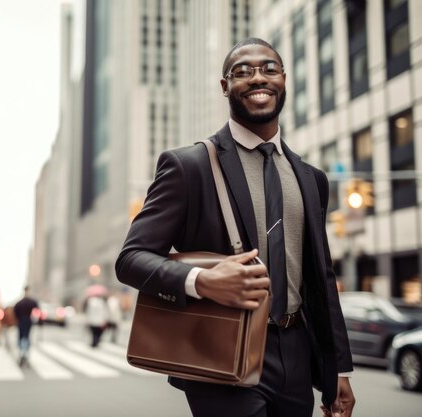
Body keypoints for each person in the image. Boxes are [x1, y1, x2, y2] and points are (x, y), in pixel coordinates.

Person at [115, 38, 355, 417]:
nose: (257, 78)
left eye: (268, 69)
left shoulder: (312, 178)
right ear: (225, 86)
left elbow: (321, 279)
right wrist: (200, 280)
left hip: (295, 351)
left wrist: (338, 367)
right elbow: (130, 260)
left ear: (284, 79)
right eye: (242, 72)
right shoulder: (187, 166)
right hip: (221, 346)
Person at [13, 286, 38, 366]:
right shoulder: (31, 302)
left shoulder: (20, 303)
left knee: (23, 337)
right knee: (24, 338)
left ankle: (23, 354)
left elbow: (15, 312)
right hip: (25, 321)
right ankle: (24, 354)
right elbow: (37, 311)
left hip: (23, 321)